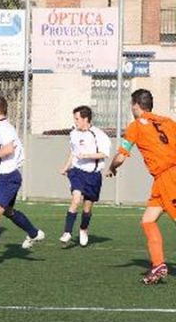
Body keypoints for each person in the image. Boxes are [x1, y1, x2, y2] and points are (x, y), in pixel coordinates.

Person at [106, 89, 176, 284]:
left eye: (131, 104)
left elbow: (121, 157)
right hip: (162, 180)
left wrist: (112, 167)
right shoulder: (168, 122)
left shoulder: (136, 126)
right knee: (148, 220)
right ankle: (159, 264)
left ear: (135, 105)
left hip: (169, 178)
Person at [0, 95, 44, 267]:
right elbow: (7, 152)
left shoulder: (3, 128)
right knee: (8, 211)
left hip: (9, 177)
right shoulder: (3, 128)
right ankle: (33, 233)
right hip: (7, 176)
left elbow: (9, 149)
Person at [59, 105, 110, 247]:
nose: (75, 121)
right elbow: (73, 152)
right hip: (77, 172)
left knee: (87, 208)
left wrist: (87, 155)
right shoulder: (73, 133)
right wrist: (66, 167)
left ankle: (83, 229)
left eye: (77, 119)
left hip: (93, 176)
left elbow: (104, 153)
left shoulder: (98, 134)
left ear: (85, 119)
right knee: (76, 199)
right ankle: (67, 232)